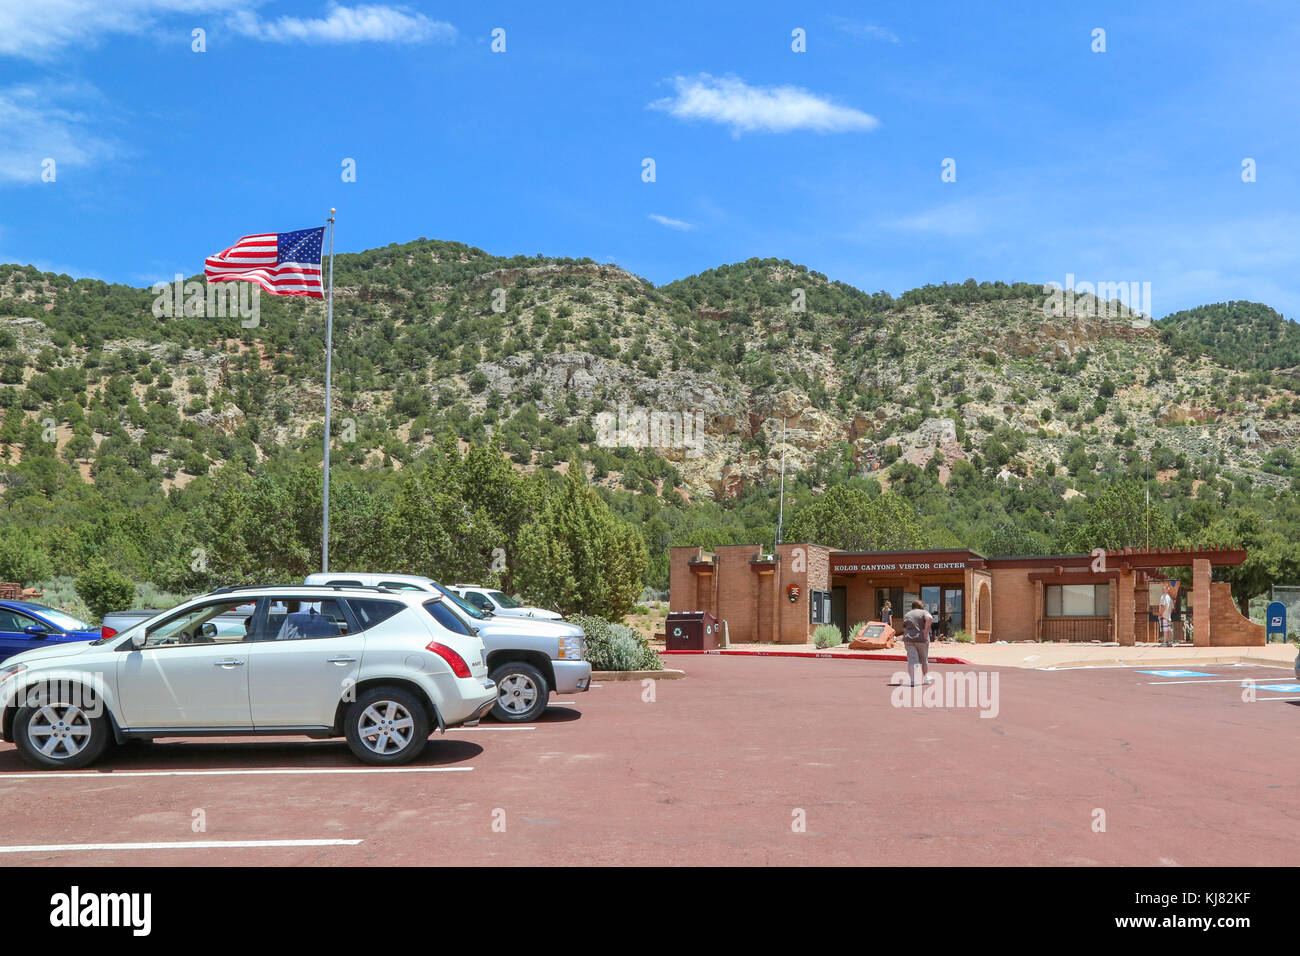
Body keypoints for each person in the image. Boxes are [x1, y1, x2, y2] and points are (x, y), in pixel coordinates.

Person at [901, 599, 935, 686]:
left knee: (912, 659)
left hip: (908, 639)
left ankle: (913, 680)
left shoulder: (907, 614)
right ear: (921, 606)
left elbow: (904, 628)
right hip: (921, 639)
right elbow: (930, 618)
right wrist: (926, 631)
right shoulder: (924, 612)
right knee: (924, 659)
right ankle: (926, 678)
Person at [1158, 582, 1177, 646]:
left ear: (1165, 590)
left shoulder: (1163, 597)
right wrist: (1169, 614)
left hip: (1164, 615)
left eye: (1163, 589)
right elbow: (1172, 608)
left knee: (1165, 629)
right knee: (1168, 629)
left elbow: (1163, 606)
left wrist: (1161, 614)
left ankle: (1165, 642)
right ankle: (1169, 641)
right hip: (1168, 616)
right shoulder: (1170, 598)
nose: (1162, 590)